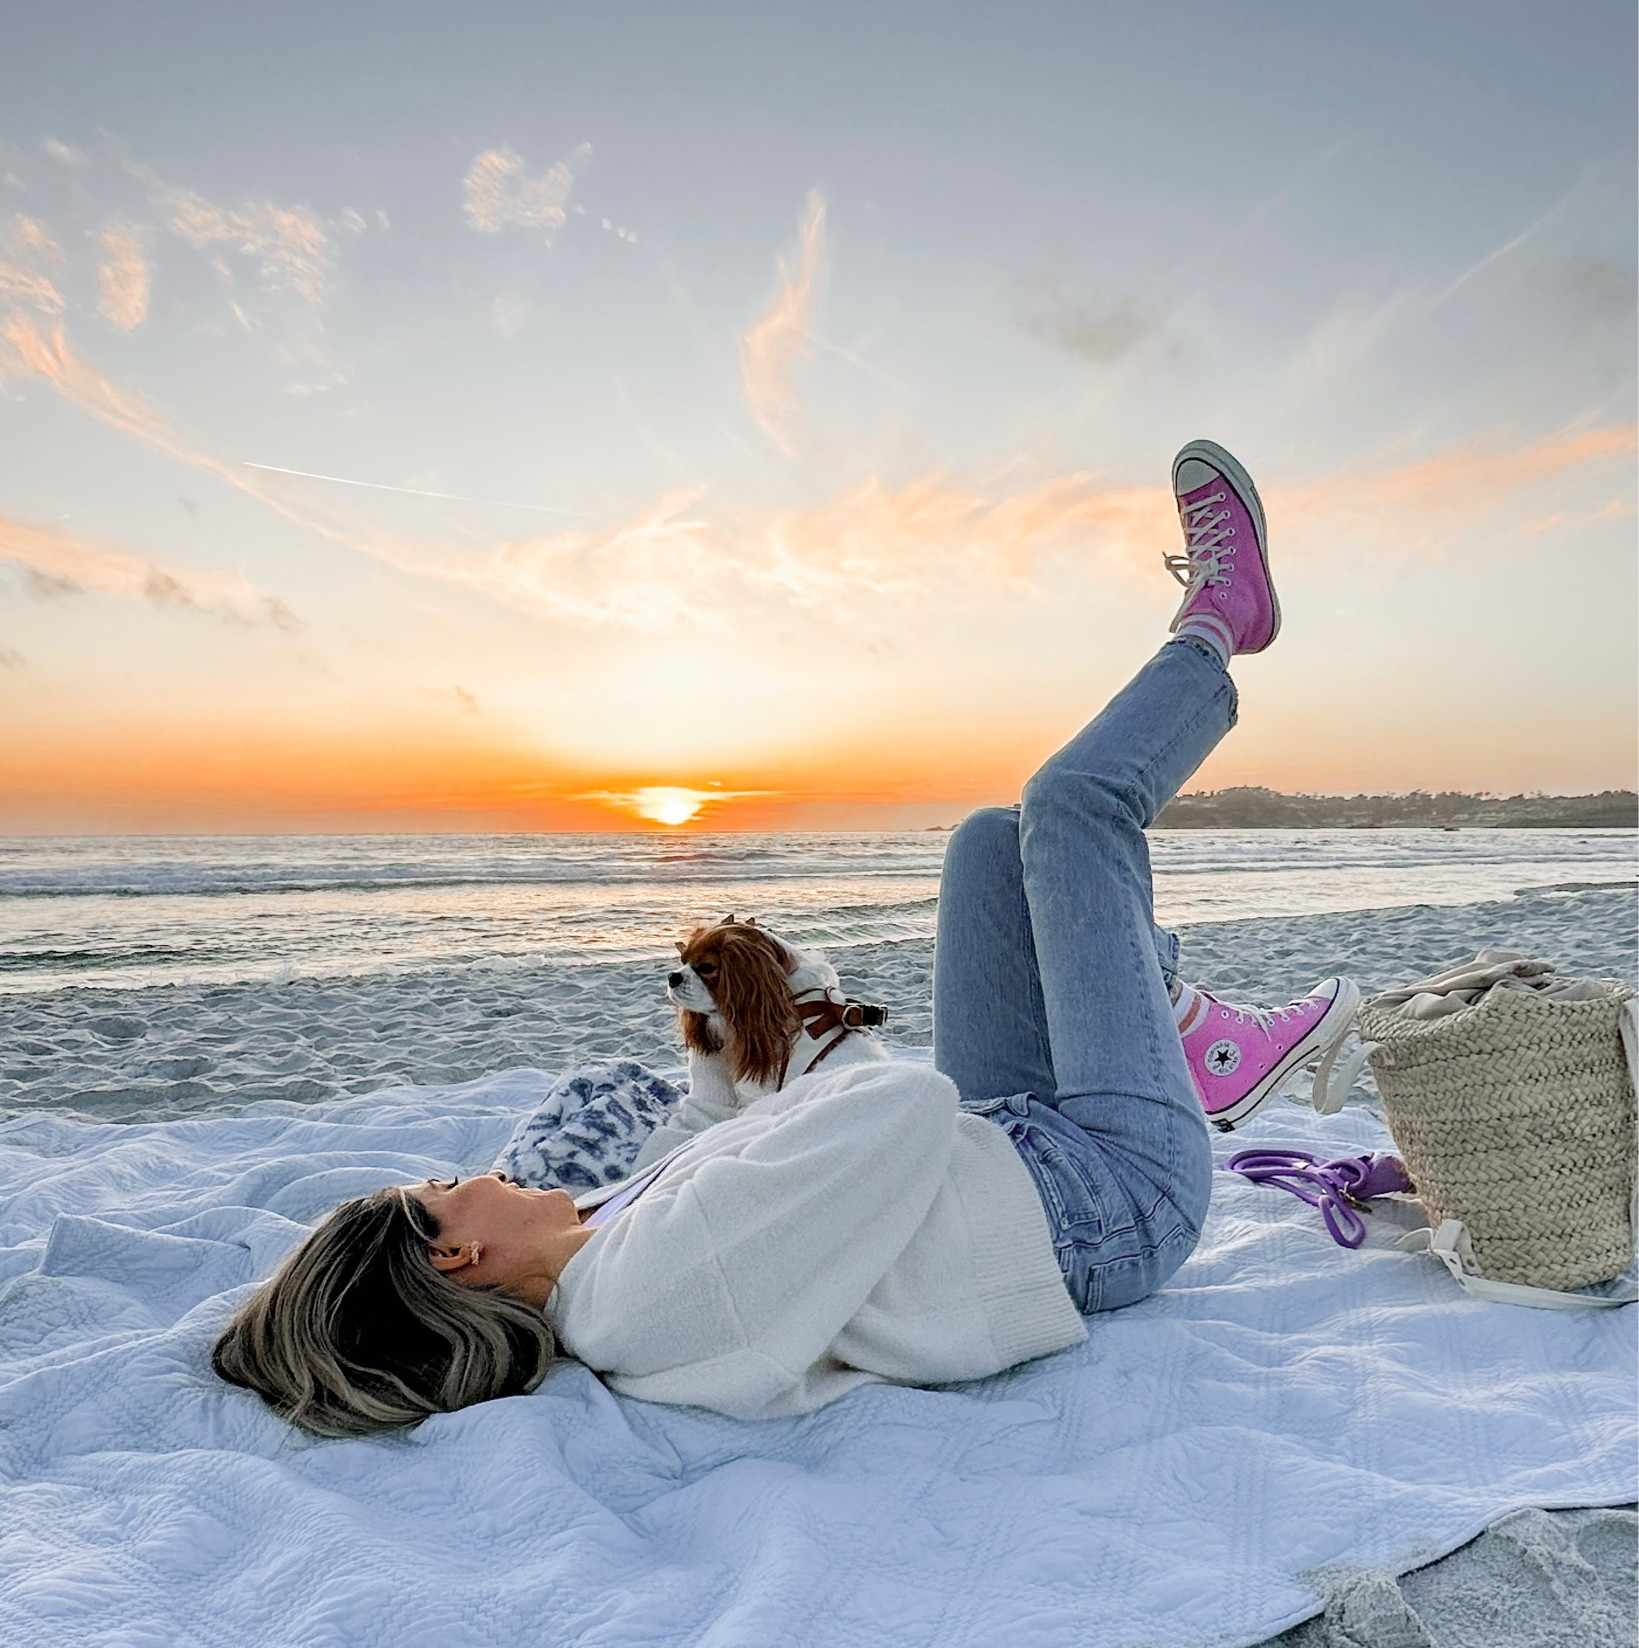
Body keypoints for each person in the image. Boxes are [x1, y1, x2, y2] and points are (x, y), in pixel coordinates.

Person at [213, 441, 1358, 1437]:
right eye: (445, 1185)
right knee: (1071, 809)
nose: (477, 1173)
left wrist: (722, 1031)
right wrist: (798, 1006)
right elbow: (897, 1111)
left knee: (983, 841)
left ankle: (1184, 1033)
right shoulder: (644, 1291)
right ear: (454, 1255)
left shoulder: (605, 1244)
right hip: (1114, 1202)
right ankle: (1219, 622)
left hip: (1015, 1149)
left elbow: (732, 1135)